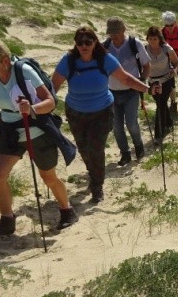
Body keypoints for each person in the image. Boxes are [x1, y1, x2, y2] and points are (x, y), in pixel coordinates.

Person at [0, 40, 78, 241]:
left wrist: (32, 109)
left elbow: (50, 102)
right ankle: (7, 221)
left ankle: (67, 210)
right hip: (9, 129)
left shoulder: (24, 71)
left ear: (6, 61)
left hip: (35, 128)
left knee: (48, 177)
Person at [52, 25, 149, 203]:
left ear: (95, 42)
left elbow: (125, 78)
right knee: (84, 149)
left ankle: (97, 186)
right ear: (75, 44)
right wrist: (45, 104)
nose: (84, 45)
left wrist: (147, 88)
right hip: (76, 112)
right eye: (80, 42)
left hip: (102, 111)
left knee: (96, 149)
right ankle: (93, 174)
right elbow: (54, 84)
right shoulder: (69, 60)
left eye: (88, 41)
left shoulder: (105, 59)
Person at [103, 17, 152, 166]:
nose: (114, 36)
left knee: (131, 123)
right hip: (112, 92)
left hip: (131, 92)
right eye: (111, 33)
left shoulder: (134, 44)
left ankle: (138, 146)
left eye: (116, 32)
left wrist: (141, 81)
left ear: (124, 30)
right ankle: (125, 153)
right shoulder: (104, 46)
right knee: (117, 127)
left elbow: (147, 65)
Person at [144, 25, 178, 142]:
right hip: (152, 82)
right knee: (161, 103)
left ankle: (159, 134)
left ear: (159, 39)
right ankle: (169, 122)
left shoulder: (167, 49)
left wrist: (174, 70)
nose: (152, 41)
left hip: (166, 79)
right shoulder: (144, 50)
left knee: (160, 104)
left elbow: (176, 62)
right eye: (150, 39)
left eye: (155, 39)